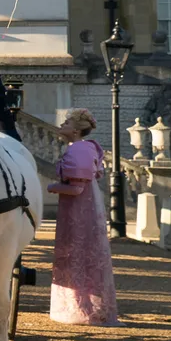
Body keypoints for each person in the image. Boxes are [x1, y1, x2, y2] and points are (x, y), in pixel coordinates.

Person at [47, 109, 119, 326]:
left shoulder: (79, 150)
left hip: (79, 209)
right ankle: (80, 305)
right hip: (82, 207)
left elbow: (76, 188)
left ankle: (83, 308)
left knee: (78, 252)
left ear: (76, 130)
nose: (62, 125)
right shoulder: (82, 148)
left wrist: (53, 187)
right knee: (80, 253)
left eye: (67, 122)